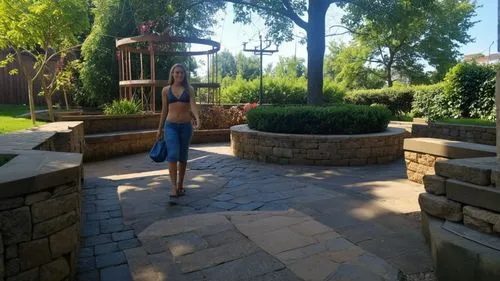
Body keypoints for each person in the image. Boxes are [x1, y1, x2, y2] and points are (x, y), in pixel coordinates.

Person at [156, 63, 201, 198]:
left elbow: (192, 105)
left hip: (186, 126)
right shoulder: (165, 90)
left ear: (185, 75)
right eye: (177, 72)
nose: (179, 75)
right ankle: (174, 187)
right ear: (172, 74)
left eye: (181, 73)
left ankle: (181, 184)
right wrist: (160, 129)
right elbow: (164, 111)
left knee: (183, 157)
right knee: (173, 154)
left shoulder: (189, 89)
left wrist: (198, 119)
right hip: (170, 126)